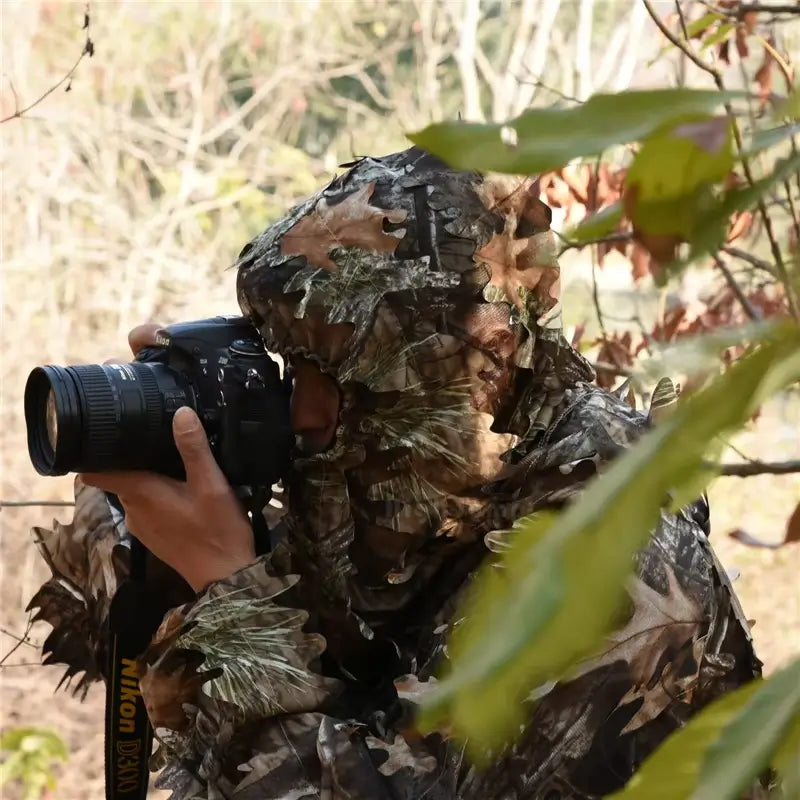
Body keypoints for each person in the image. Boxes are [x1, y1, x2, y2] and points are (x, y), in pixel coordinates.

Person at [28, 147, 759, 799]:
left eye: (340, 374)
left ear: (461, 377)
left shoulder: (619, 584)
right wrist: (157, 542)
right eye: (291, 363)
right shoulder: (415, 504)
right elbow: (285, 656)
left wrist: (232, 599)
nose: (304, 413)